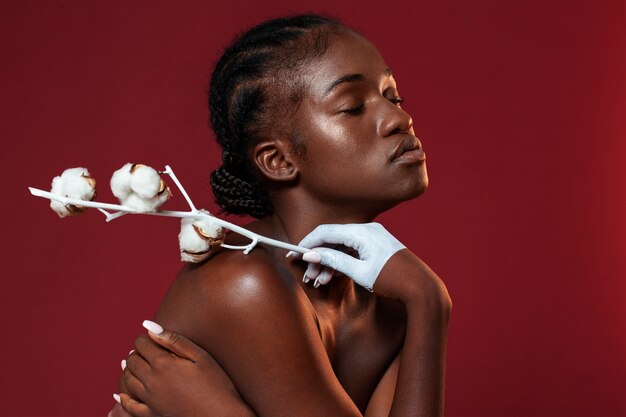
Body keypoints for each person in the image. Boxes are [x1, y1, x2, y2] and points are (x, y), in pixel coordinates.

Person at [111, 14, 451, 417]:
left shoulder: (393, 298)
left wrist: (430, 300)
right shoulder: (243, 283)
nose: (400, 119)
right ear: (277, 160)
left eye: (393, 97)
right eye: (353, 106)